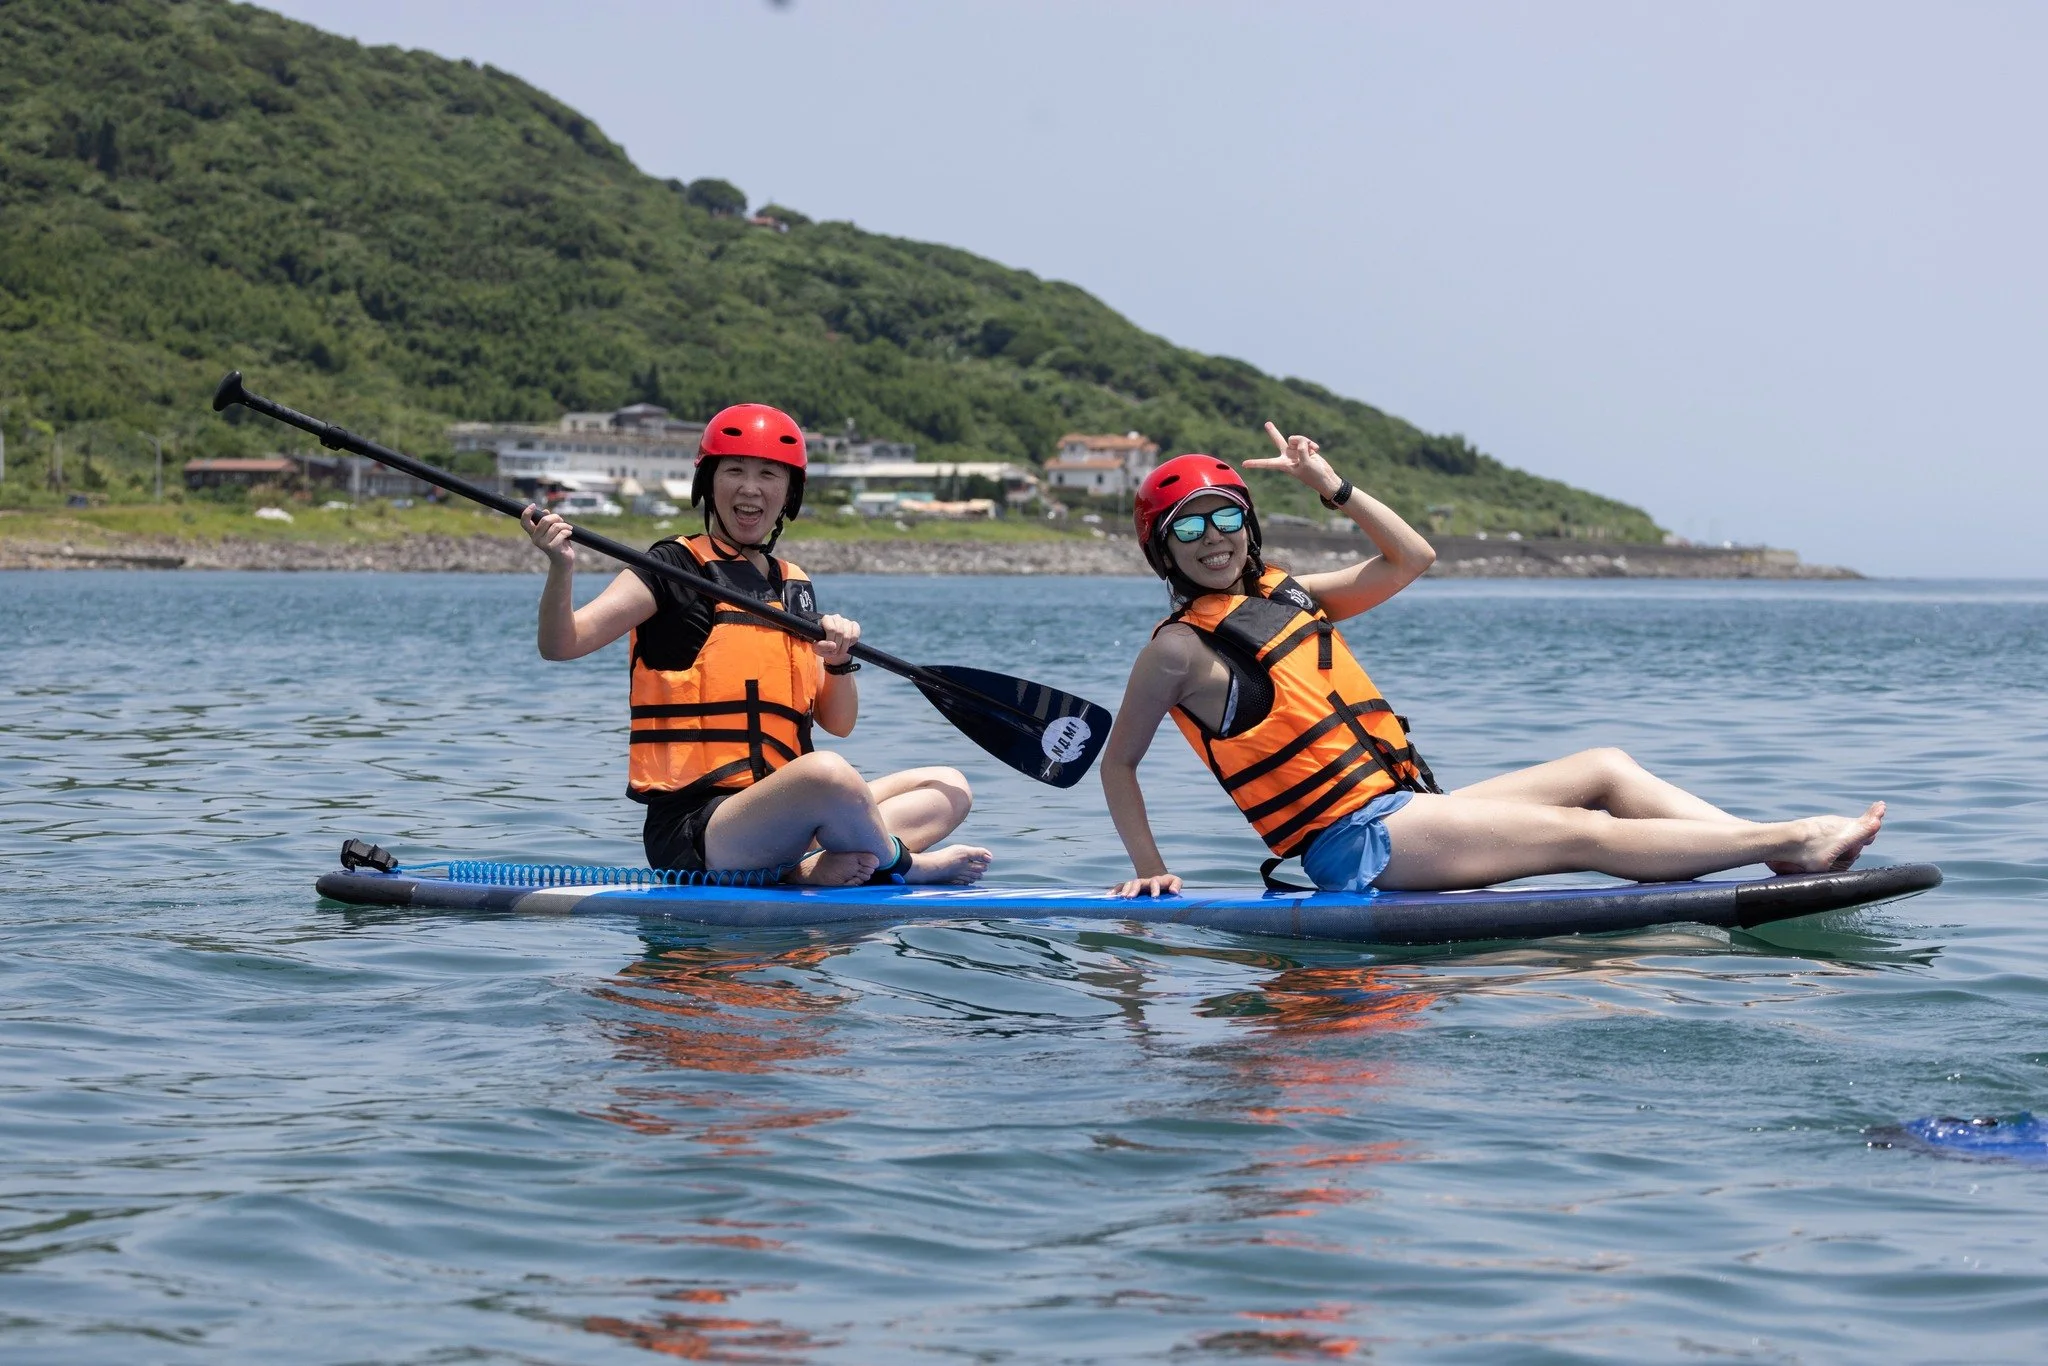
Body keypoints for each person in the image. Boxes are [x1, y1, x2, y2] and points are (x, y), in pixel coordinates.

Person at [1102, 423, 1885, 897]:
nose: (1214, 541)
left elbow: (1410, 557)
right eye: (1188, 529)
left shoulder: (1288, 595)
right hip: (1355, 844)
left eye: (1225, 518)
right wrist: (1151, 867)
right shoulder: (1179, 649)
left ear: (1249, 525)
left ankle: (1769, 855)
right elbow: (1120, 764)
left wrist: (1331, 484)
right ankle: (1792, 838)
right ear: (1161, 549)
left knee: (1605, 767)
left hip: (1407, 810)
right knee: (1578, 830)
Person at [520, 402, 992, 886]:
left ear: (788, 492)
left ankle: (809, 867)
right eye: (735, 471)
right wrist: (562, 567)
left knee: (948, 786)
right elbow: (562, 644)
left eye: (769, 474)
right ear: (708, 483)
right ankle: (903, 866)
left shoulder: (794, 585)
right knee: (826, 774)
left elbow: (839, 723)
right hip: (700, 831)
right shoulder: (672, 568)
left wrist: (839, 662)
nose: (750, 488)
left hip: (786, 814)